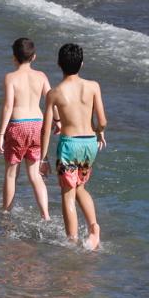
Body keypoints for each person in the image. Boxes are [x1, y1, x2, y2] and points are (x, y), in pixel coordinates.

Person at [40, 43, 108, 250]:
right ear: (82, 64)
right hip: (89, 143)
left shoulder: (54, 93)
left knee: (67, 193)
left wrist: (43, 159)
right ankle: (94, 227)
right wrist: (99, 132)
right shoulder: (93, 86)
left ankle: (72, 242)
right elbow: (103, 121)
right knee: (80, 187)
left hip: (69, 145)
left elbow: (46, 129)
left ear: (59, 64)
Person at [0, 38, 51, 219]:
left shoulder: (10, 78)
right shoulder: (41, 76)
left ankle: (6, 213)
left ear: (14, 58)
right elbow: (51, 100)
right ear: (34, 57)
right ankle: (46, 215)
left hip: (18, 125)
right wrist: (56, 121)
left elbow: (8, 107)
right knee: (35, 174)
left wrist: (0, 134)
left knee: (11, 174)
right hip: (37, 125)